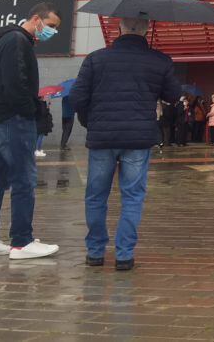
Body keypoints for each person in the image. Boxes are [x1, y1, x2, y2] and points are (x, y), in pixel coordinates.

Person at [72, 16, 179, 271]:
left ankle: (95, 251)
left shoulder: (95, 59)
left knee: (96, 196)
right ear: (146, 30)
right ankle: (124, 254)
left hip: (102, 138)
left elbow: (76, 98)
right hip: (138, 139)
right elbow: (173, 95)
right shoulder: (159, 60)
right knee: (133, 196)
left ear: (119, 29)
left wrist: (92, 121)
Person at [0, 1, 62, 261]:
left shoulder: (8, 40)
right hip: (13, 119)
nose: (52, 32)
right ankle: (22, 241)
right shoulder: (17, 41)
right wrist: (31, 111)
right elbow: (16, 84)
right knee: (23, 178)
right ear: (36, 19)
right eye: (51, 26)